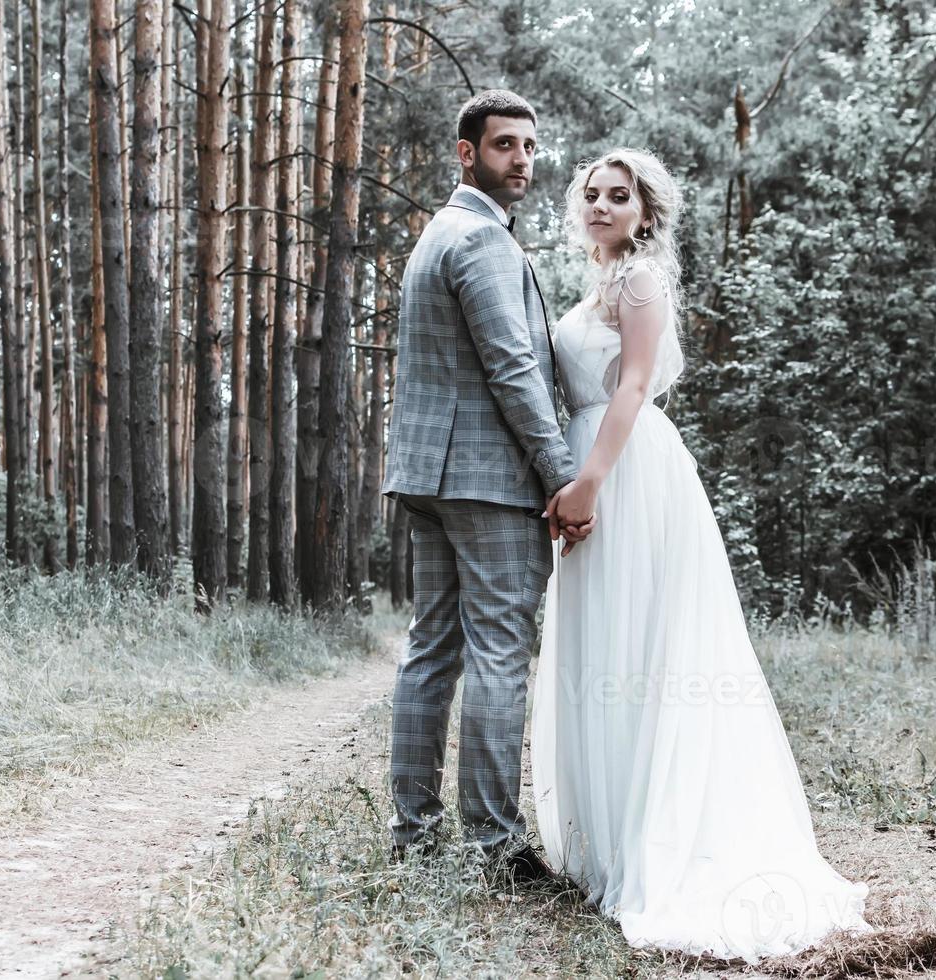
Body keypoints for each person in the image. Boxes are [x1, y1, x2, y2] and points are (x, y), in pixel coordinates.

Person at [530, 148, 874, 961]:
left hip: (627, 470)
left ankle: (662, 837)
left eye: (619, 197)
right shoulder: (596, 285)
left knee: (646, 649)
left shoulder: (639, 281)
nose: (603, 207)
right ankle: (607, 840)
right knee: (605, 644)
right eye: (592, 196)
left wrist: (589, 483)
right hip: (591, 460)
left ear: (645, 214)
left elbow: (634, 384)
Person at [381, 90, 592, 888]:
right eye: (506, 146)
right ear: (467, 153)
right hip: (487, 481)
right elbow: (513, 370)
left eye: (531, 147)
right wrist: (562, 477)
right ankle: (495, 847)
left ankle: (414, 832)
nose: (523, 161)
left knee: (431, 649)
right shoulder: (482, 242)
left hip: (428, 477)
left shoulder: (437, 235)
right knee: (501, 652)